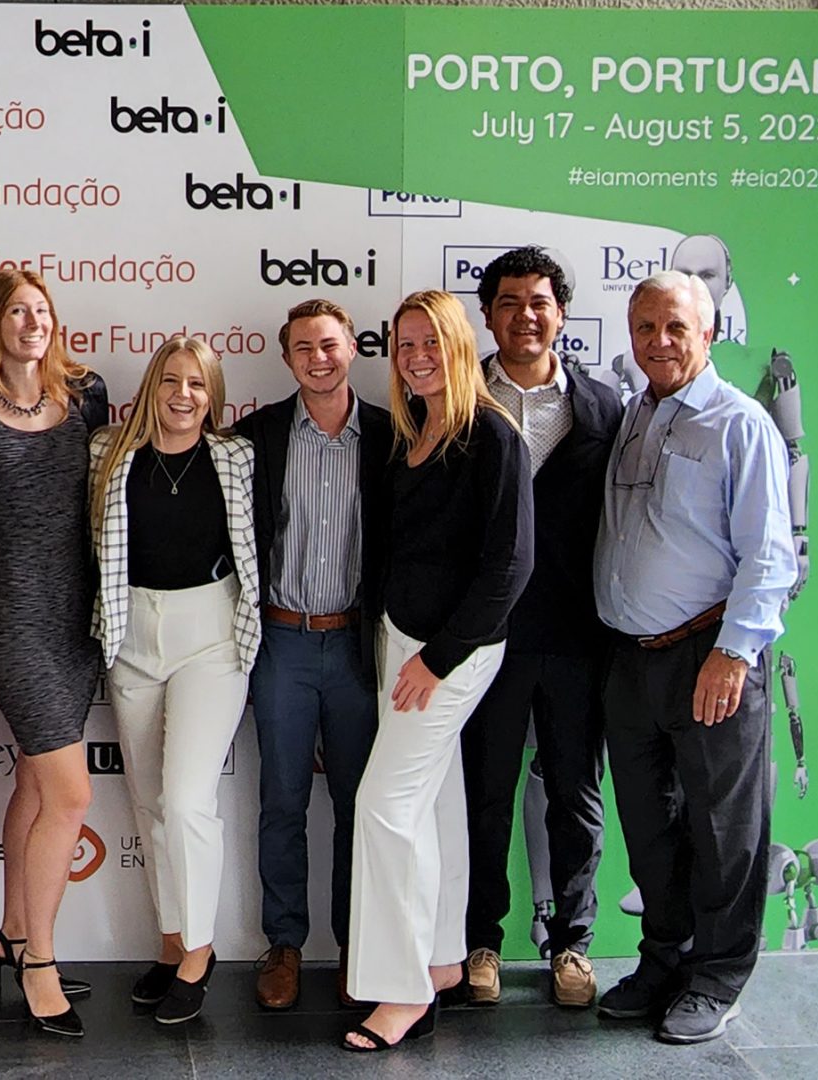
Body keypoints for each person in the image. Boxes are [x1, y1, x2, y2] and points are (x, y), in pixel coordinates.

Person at [594, 270, 794, 1044]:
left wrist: (732, 654)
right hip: (630, 661)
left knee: (724, 830)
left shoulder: (740, 424)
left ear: (708, 332)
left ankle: (717, 977)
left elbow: (768, 557)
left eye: (675, 327)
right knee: (650, 826)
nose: (658, 342)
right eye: (644, 328)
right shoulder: (633, 414)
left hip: (707, 657)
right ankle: (663, 960)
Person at [344, 290, 533, 1052]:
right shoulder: (413, 432)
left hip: (451, 654)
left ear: (458, 345)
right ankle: (443, 959)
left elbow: (508, 568)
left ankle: (402, 989)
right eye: (402, 345)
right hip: (402, 641)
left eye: (429, 342)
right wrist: (396, 642)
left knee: (383, 807)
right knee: (431, 804)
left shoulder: (492, 436)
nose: (416, 356)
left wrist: (435, 658)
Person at [0, 268, 107, 1038]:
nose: (32, 323)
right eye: (16, 313)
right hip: (11, 615)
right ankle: (40, 959)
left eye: (41, 311)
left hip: (82, 616)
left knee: (39, 790)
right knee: (71, 795)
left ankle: (10, 934)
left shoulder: (87, 394)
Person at [456, 247, 622, 1008]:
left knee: (576, 799)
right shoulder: (457, 401)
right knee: (483, 796)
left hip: (575, 636)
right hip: (484, 640)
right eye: (510, 300)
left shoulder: (604, 407)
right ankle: (478, 943)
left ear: (560, 312)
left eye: (540, 300)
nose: (526, 314)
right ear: (487, 314)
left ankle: (572, 946)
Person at [88, 336, 259, 1025]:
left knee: (188, 801)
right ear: (150, 388)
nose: (182, 396)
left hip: (210, 633)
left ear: (212, 397)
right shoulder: (106, 453)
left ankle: (197, 953)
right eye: (170, 382)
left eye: (196, 384)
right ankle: (169, 943)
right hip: (132, 632)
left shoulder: (235, 457)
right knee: (150, 803)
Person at [231, 299, 392, 1011]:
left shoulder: (390, 436)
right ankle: (285, 945)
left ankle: (361, 946)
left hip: (359, 644)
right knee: (282, 801)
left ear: (351, 348)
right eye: (303, 348)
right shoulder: (258, 435)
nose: (317, 358)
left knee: (361, 804)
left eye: (328, 345)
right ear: (286, 355)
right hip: (282, 643)